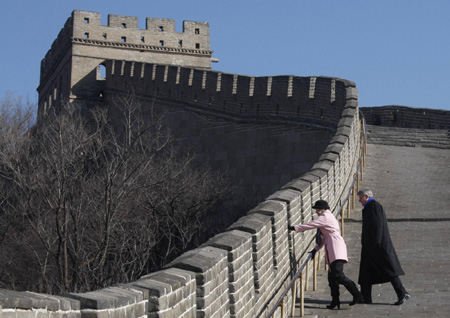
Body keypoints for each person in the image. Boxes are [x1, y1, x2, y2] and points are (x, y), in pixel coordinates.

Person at [290, 200, 362, 309]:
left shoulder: (325, 217)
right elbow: (324, 238)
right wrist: (315, 249)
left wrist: (295, 228)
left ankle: (357, 294)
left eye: (317, 209)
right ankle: (335, 301)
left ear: (322, 209)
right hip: (333, 245)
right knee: (332, 278)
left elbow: (311, 225)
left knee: (338, 275)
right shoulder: (328, 216)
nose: (316, 211)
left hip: (335, 247)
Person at [357, 189, 410, 305]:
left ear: (366, 196)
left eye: (360, 198)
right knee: (366, 272)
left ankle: (402, 293)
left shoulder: (374, 206)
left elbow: (378, 225)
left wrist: (376, 243)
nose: (359, 200)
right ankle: (366, 297)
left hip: (377, 247)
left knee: (389, 270)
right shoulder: (369, 207)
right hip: (369, 246)